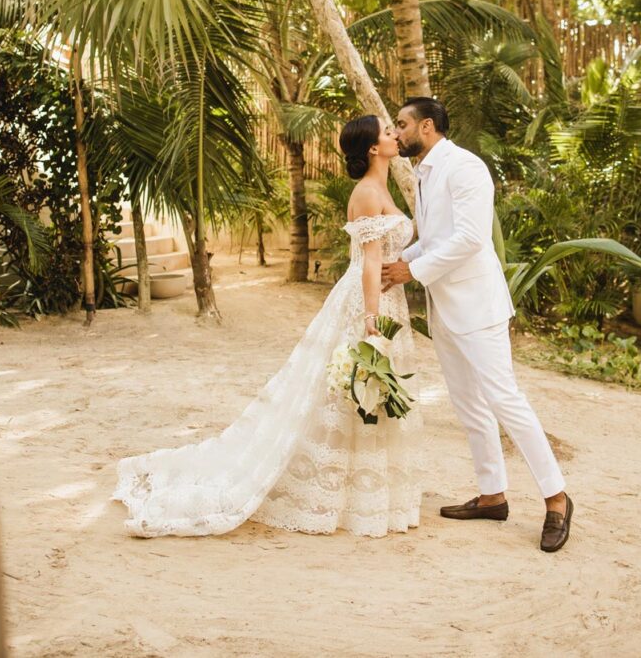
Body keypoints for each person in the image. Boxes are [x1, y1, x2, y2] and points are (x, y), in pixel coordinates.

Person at [113, 115, 422, 537]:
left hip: (386, 297)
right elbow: (369, 263)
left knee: (361, 393)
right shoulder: (368, 192)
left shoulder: (380, 186)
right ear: (372, 147)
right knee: (352, 390)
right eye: (388, 132)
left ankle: (360, 492)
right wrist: (371, 322)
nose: (394, 135)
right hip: (368, 301)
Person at [381, 96, 573, 553]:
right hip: (444, 307)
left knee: (505, 400)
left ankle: (557, 498)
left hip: (478, 305)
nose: (397, 131)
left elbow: (470, 239)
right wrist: (395, 264)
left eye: (402, 124)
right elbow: (431, 238)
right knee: (469, 405)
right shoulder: (424, 172)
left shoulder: (465, 167)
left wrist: (413, 271)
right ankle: (493, 496)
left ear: (426, 126)